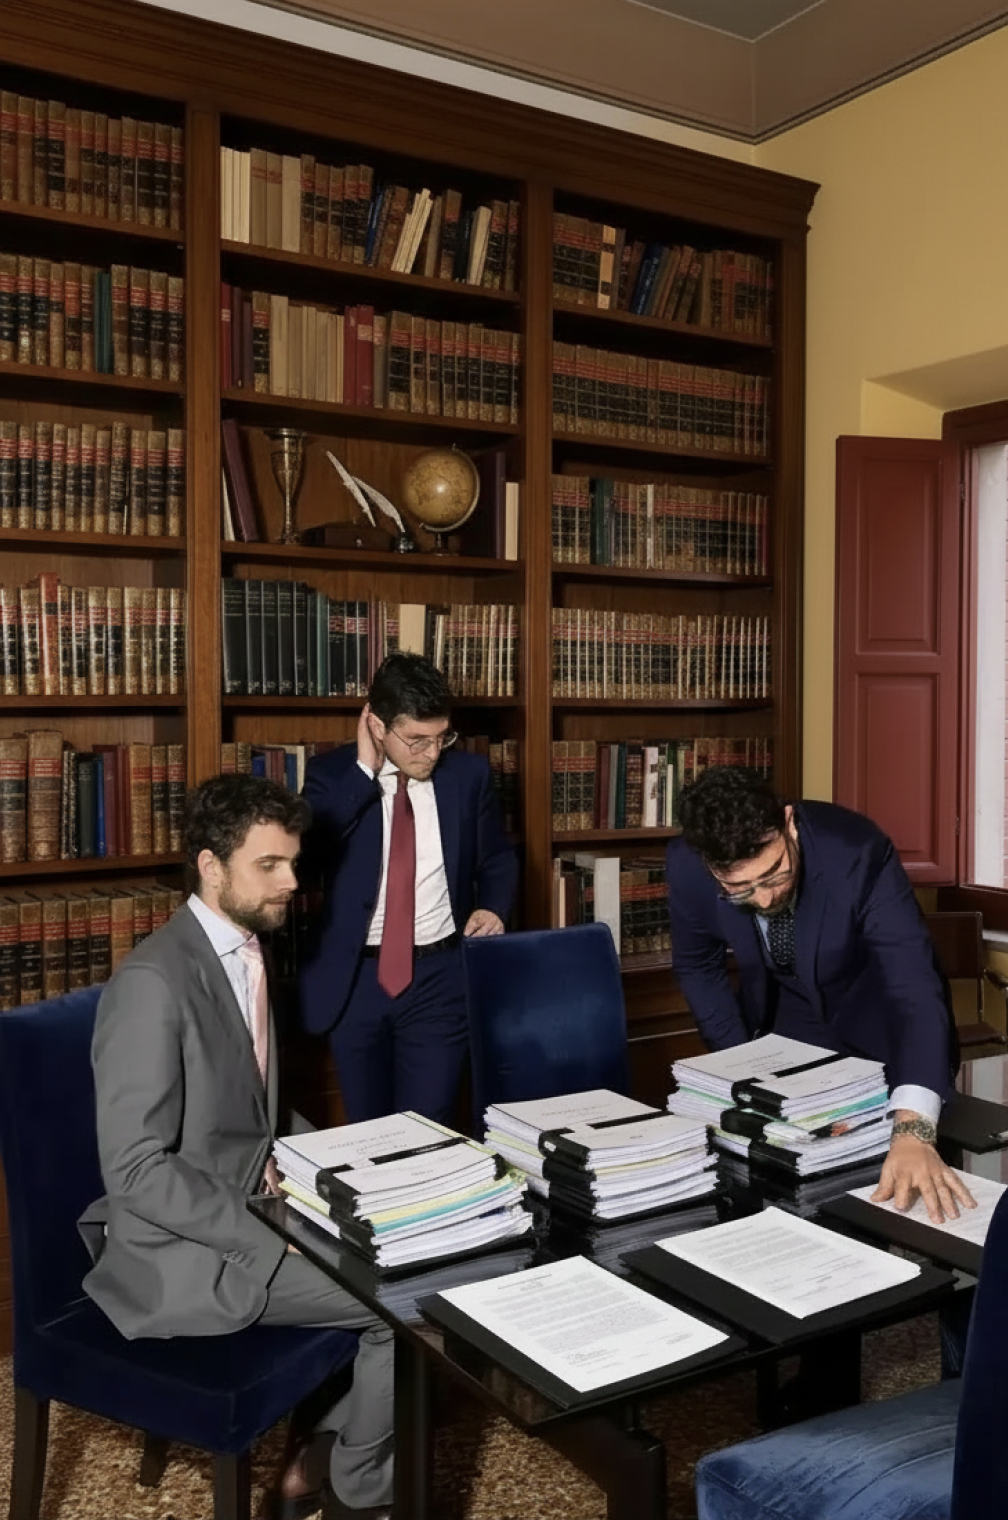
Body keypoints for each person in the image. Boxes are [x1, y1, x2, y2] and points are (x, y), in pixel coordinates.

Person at [78, 775, 393, 1520]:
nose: (292, 882)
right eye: (269, 865)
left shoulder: (247, 950)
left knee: (420, 1253)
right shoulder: (153, 983)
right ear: (211, 866)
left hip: (260, 1204)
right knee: (405, 1308)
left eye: (293, 862)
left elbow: (255, 1112)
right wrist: (263, 1238)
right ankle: (356, 1485)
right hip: (186, 1254)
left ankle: (319, 1451)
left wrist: (353, 1169)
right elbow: (135, 1170)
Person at [666, 765, 975, 1226]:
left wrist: (914, 1129)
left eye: (774, 875)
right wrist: (742, 1069)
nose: (764, 900)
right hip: (784, 1030)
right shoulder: (688, 863)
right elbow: (698, 967)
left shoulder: (855, 851)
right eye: (740, 889)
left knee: (899, 1205)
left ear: (788, 823)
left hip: (879, 1030)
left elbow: (912, 986)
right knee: (793, 1207)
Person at [298, 651, 519, 1125]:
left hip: (439, 977)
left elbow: (497, 857)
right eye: (417, 740)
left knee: (430, 1128)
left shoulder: (468, 776)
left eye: (442, 737)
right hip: (355, 981)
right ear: (378, 726)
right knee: (369, 1131)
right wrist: (364, 772)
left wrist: (494, 907)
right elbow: (307, 857)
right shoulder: (331, 775)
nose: (432, 753)